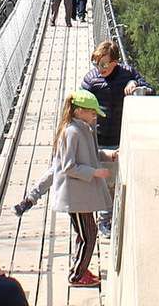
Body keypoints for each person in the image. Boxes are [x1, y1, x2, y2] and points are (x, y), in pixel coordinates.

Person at [81, 40, 152, 237]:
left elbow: (150, 89)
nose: (100, 68)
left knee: (112, 181)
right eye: (97, 63)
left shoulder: (127, 73)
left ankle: (107, 219)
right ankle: (104, 221)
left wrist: (135, 83)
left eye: (104, 64)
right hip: (98, 137)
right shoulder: (91, 80)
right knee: (105, 181)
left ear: (115, 62)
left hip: (121, 136)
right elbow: (79, 104)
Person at [51, 89, 116, 288]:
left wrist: (108, 155)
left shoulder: (83, 129)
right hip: (75, 196)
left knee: (86, 233)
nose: (95, 116)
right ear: (79, 111)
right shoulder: (71, 131)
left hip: (81, 195)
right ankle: (77, 276)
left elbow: (90, 154)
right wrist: (95, 173)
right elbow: (68, 166)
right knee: (89, 235)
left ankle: (80, 268)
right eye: (92, 112)